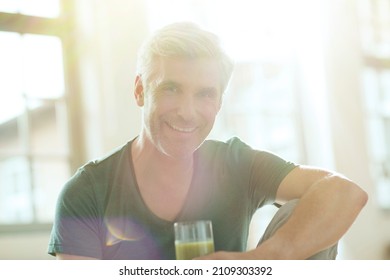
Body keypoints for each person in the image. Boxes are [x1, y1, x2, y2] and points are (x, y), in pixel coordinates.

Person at [48, 22, 368, 260]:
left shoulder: (236, 163)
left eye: (204, 94)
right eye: (170, 89)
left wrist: (261, 260)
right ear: (139, 91)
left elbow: (346, 193)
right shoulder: (88, 192)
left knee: (306, 208)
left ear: (218, 103)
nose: (187, 112)